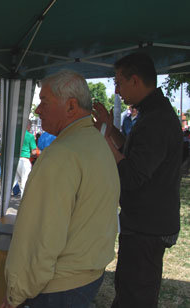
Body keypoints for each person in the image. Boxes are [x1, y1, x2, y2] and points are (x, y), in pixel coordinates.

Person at [1, 70, 120, 308]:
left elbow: (41, 236)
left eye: (44, 102)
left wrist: (16, 292)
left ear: (71, 106)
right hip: (88, 275)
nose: (37, 110)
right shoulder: (97, 142)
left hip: (59, 288)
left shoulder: (61, 154)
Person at [92, 52, 182, 308]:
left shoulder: (156, 120)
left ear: (135, 80)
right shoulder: (153, 114)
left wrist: (104, 141)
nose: (116, 89)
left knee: (135, 296)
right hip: (144, 223)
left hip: (147, 227)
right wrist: (111, 132)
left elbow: (132, 174)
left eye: (118, 82)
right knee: (131, 290)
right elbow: (135, 152)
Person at [12, 120, 37, 197]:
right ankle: (23, 203)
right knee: (24, 182)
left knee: (11, 182)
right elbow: (34, 152)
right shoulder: (30, 136)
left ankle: (1, 202)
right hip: (25, 160)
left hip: (14, 160)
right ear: (28, 126)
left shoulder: (15, 135)